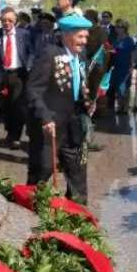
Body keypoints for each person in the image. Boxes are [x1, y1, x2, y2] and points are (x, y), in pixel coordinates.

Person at [25, 13, 93, 203]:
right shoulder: (50, 54)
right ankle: (29, 209)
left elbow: (76, 85)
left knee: (77, 173)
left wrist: (85, 99)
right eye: (80, 36)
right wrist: (45, 118)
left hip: (74, 125)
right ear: (67, 35)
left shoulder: (81, 56)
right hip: (50, 127)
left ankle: (77, 214)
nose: (84, 41)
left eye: (86, 36)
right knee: (43, 171)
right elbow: (33, 90)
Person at [0, 7, 32, 149]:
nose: (7, 23)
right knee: (5, 106)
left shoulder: (25, 34)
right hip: (2, 76)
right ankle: (9, 132)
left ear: (15, 21)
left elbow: (32, 52)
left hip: (19, 75)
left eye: (10, 20)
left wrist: (29, 65)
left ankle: (15, 136)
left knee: (18, 106)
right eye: (4, 20)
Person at [107, 20, 135, 114]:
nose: (117, 28)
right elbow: (114, 51)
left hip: (125, 66)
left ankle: (125, 107)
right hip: (116, 66)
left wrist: (132, 65)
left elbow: (132, 53)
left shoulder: (129, 40)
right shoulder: (116, 39)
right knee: (117, 87)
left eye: (120, 27)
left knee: (124, 87)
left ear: (124, 29)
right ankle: (119, 106)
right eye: (116, 27)